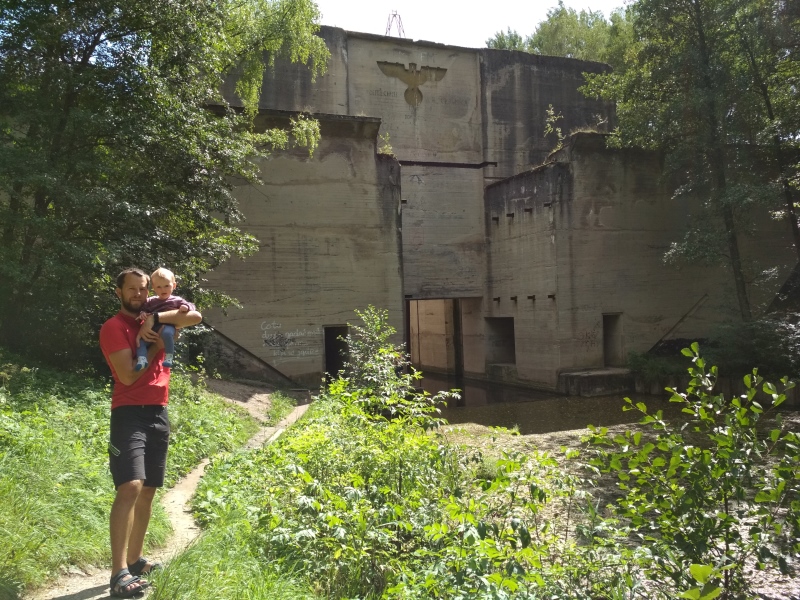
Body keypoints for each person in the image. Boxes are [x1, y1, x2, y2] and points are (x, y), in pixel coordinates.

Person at [99, 267, 202, 597]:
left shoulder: (153, 314)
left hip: (159, 411)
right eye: (131, 289)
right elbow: (128, 375)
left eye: (143, 289)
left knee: (148, 491)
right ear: (119, 292)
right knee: (130, 485)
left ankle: (134, 560)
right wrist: (157, 343)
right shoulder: (113, 327)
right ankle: (117, 574)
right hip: (129, 413)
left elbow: (195, 317)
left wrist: (154, 323)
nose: (138, 294)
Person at [135, 267, 196, 371]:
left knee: (167, 334)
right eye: (159, 287)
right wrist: (143, 314)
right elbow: (143, 309)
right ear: (153, 287)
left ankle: (169, 357)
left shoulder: (177, 300)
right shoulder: (150, 301)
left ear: (174, 285)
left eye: (166, 286)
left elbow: (191, 306)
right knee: (140, 341)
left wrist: (186, 307)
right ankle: (142, 359)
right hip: (153, 328)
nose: (163, 289)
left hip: (169, 325)